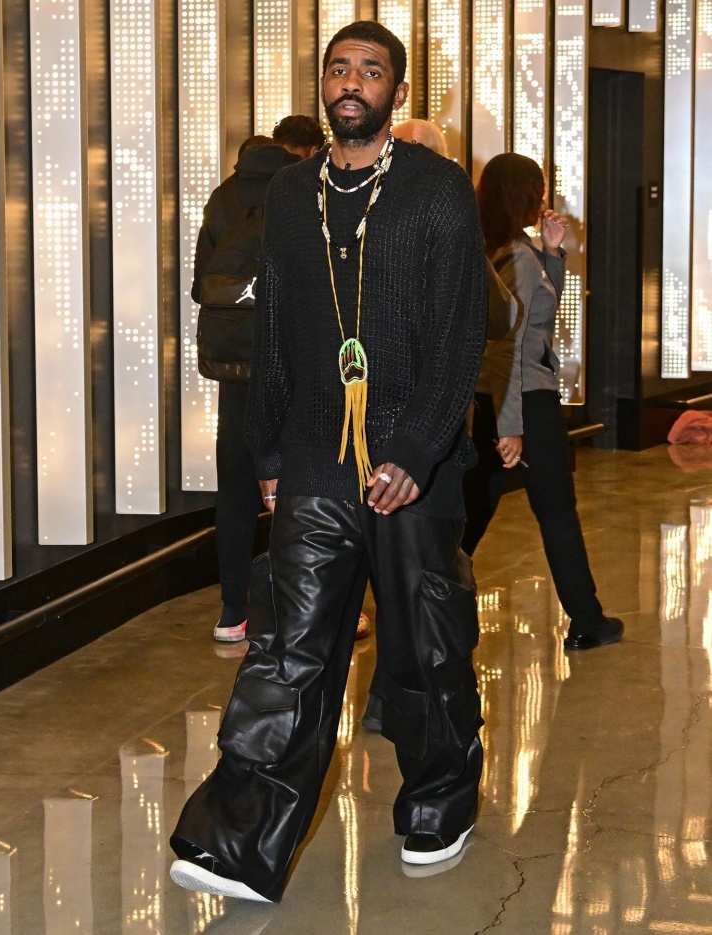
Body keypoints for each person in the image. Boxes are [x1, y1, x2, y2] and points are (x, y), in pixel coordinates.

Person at [169, 20, 488, 903]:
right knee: (288, 653)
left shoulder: (437, 190)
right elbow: (274, 330)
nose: (352, 82)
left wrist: (417, 450)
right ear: (323, 84)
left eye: (371, 70)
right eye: (339, 68)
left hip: (411, 466)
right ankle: (240, 839)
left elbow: (461, 330)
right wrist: (270, 449)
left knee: (425, 646)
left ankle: (439, 801)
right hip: (315, 458)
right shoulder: (290, 194)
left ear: (398, 91)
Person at [462, 152, 623, 650]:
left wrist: (552, 251)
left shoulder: (493, 249)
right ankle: (587, 620)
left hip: (490, 398)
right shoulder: (518, 258)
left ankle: (428, 602)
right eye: (541, 190)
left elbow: (528, 318)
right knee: (556, 512)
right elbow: (512, 346)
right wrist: (511, 426)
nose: (545, 200)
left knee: (471, 512)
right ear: (526, 196)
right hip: (525, 401)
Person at [192, 119, 325, 643]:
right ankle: (303, 605)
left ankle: (233, 610)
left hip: (236, 369)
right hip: (295, 363)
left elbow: (202, 284)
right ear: (307, 151)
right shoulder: (303, 190)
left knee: (235, 487)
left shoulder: (224, 196)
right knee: (301, 484)